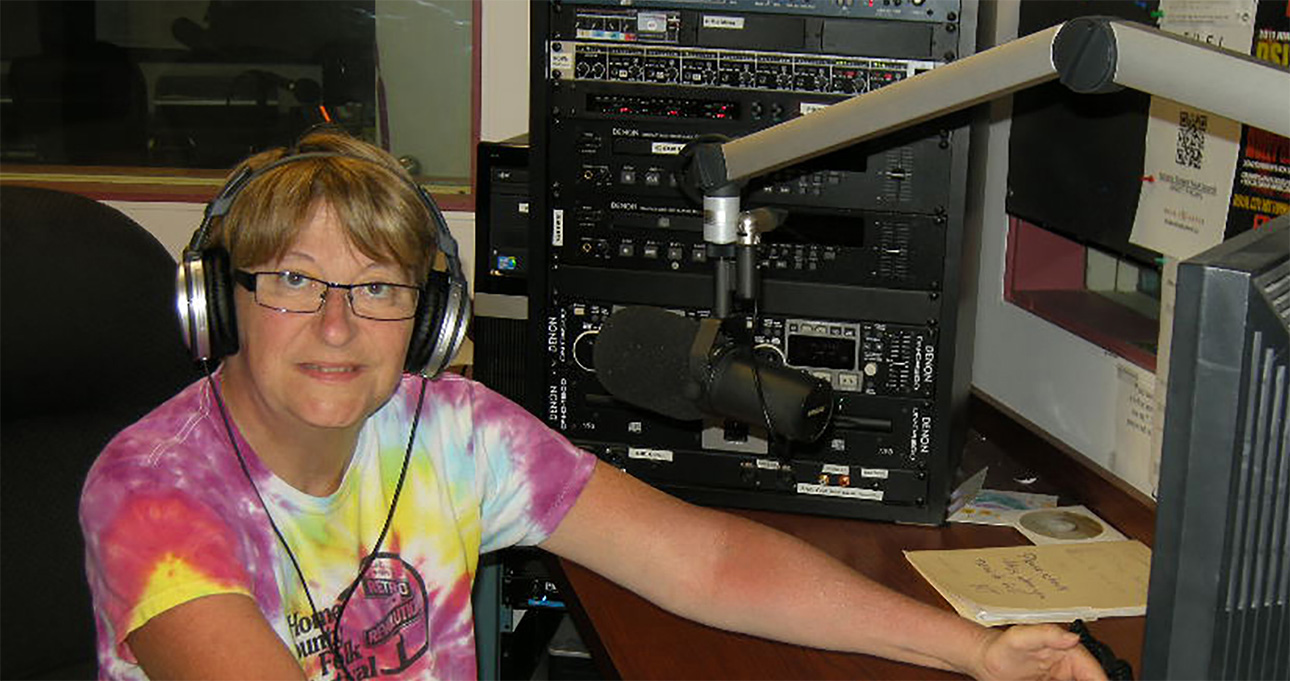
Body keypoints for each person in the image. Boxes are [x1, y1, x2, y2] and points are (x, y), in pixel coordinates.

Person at [81, 130, 1108, 681]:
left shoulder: (455, 431)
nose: (338, 325)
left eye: (378, 288)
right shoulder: (154, 492)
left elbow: (708, 560)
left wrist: (975, 650)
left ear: (426, 321)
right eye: (295, 280)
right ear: (223, 299)